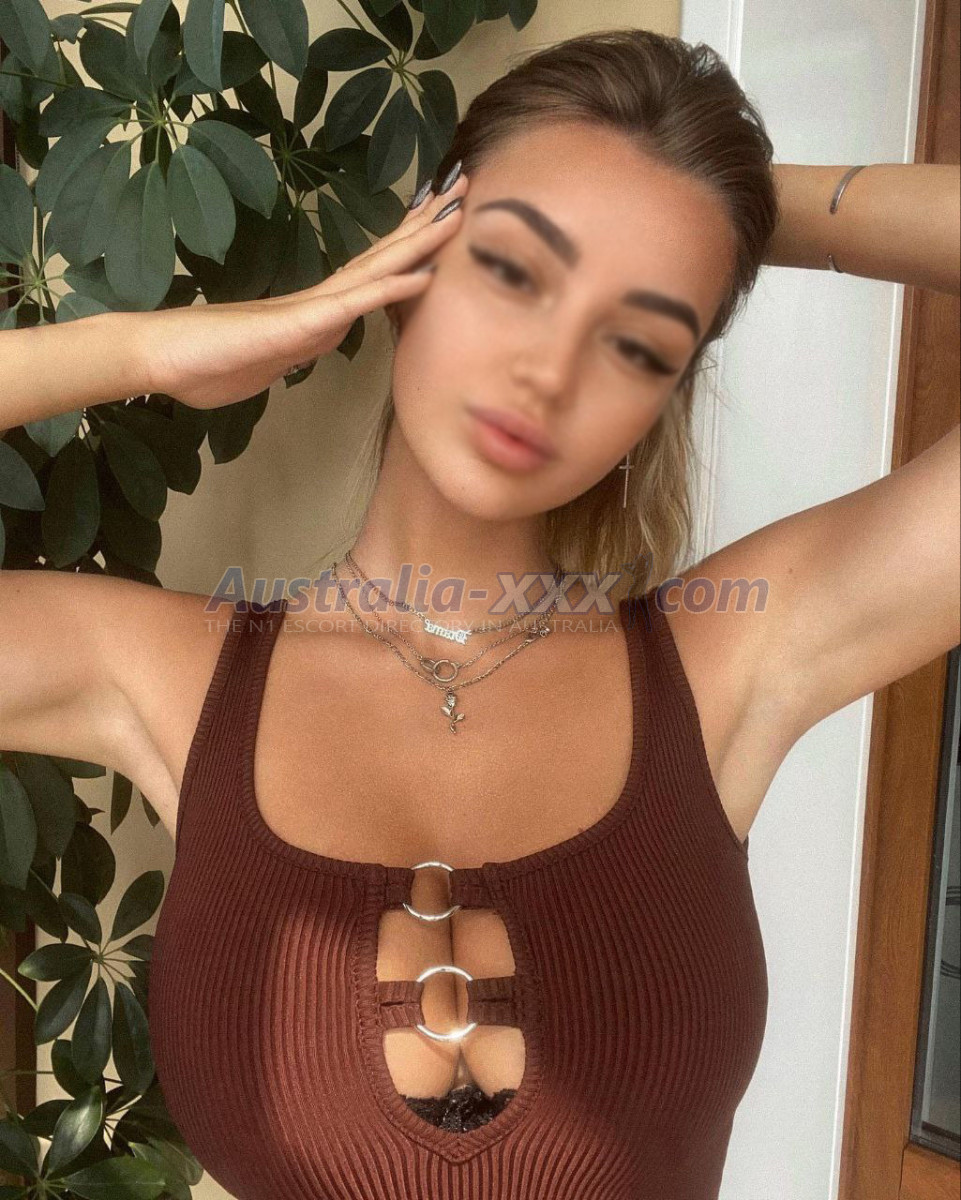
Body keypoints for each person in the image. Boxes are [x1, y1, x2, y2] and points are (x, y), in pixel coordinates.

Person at [2, 27, 959, 1200]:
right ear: (417, 249)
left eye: (638, 343)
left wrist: (738, 213)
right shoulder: (162, 676)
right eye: (512, 269)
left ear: (663, 401)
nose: (547, 371)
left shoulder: (727, 664)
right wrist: (141, 349)